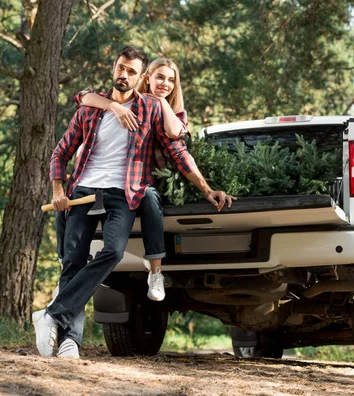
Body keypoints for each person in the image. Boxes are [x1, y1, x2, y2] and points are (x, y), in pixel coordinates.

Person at [33, 46, 234, 359]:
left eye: (131, 71)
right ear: (115, 68)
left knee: (112, 252)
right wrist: (59, 191)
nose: (123, 75)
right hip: (82, 191)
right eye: (120, 68)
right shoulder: (90, 109)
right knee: (73, 262)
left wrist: (207, 190)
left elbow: (178, 152)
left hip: (124, 193)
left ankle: (51, 315)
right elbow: (60, 153)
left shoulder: (151, 108)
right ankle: (71, 341)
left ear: (141, 78)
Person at [74, 57, 188, 302]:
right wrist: (113, 106)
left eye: (171, 80)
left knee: (148, 194)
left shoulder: (168, 109)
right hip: (124, 182)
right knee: (72, 201)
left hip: (156, 181)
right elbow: (83, 96)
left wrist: (160, 102)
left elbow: (174, 132)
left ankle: (156, 271)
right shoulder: (130, 104)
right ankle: (67, 275)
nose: (165, 84)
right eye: (160, 77)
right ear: (147, 77)